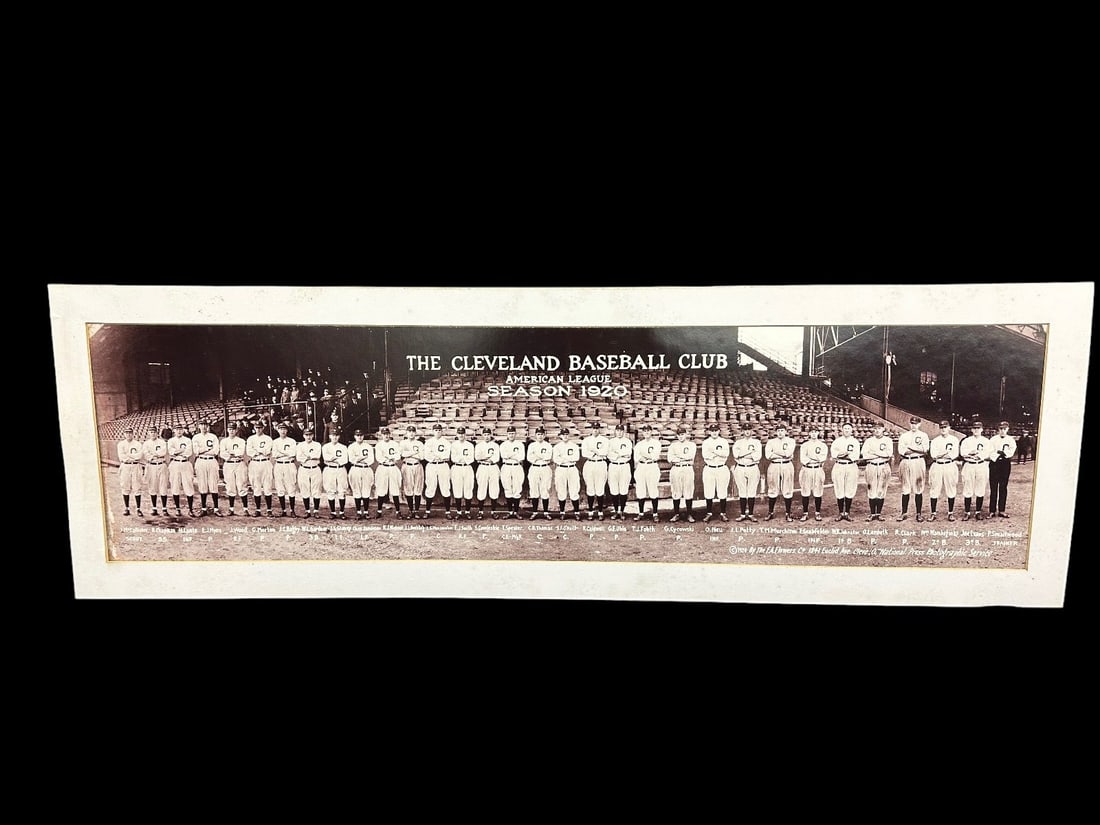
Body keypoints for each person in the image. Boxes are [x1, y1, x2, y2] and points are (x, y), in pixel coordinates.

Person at [896, 416, 929, 522]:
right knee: (905, 488)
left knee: (918, 488)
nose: (914, 425)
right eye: (912, 423)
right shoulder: (904, 435)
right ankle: (904, 513)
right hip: (906, 461)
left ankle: (919, 514)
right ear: (909, 424)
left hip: (918, 461)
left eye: (916, 423)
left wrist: (910, 447)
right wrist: (916, 449)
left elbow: (924, 450)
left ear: (919, 424)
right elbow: (902, 451)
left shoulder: (923, 435)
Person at [927, 420, 960, 522]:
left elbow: (954, 454)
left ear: (949, 428)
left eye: (945, 427)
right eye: (941, 427)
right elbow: (933, 455)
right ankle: (933, 513)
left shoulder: (954, 440)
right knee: (934, 489)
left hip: (950, 465)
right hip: (937, 465)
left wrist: (941, 454)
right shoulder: (935, 440)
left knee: (951, 488)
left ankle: (950, 513)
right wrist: (945, 453)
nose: (943, 429)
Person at [958, 420, 991, 521]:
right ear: (972, 429)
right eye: (974, 428)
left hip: (981, 465)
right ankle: (967, 512)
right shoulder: (966, 440)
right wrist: (972, 454)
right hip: (969, 465)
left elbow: (987, 453)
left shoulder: (986, 441)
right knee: (968, 488)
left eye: (978, 428)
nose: (976, 430)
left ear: (982, 429)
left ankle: (978, 512)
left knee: (980, 488)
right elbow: (963, 453)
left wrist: (977, 455)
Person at [860, 422, 893, 521]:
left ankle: (878, 513)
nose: (877, 430)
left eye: (879, 428)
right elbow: (865, 455)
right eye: (875, 428)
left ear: (883, 429)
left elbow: (889, 454)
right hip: (871, 466)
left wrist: (874, 453)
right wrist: (880, 454)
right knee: (871, 490)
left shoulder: (888, 440)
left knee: (881, 490)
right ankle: (872, 513)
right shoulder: (869, 441)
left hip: (883, 466)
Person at [764, 423, 796, 522]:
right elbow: (768, 455)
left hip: (787, 465)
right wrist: (782, 453)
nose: (780, 432)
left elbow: (788, 454)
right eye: (778, 431)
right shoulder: (771, 442)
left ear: (785, 431)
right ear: (776, 432)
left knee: (787, 489)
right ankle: (770, 512)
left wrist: (775, 452)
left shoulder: (791, 441)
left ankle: (788, 513)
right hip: (774, 465)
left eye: (782, 430)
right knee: (773, 489)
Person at [700, 422, 731, 523]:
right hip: (709, 468)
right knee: (709, 491)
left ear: (719, 431)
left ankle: (723, 513)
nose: (714, 432)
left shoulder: (723, 441)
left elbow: (725, 454)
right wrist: (718, 454)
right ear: (709, 432)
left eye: (716, 430)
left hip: (721, 467)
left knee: (722, 491)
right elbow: (706, 456)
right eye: (712, 431)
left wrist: (713, 452)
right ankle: (709, 513)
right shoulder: (706, 442)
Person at [191, 420, 222, 517]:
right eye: (202, 425)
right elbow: (196, 451)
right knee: (202, 484)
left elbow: (216, 451)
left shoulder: (213, 436)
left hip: (212, 461)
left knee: (213, 484)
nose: (204, 427)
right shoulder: (196, 437)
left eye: (205, 425)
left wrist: (202, 450)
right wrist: (208, 450)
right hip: (200, 461)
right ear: (199, 426)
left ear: (208, 426)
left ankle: (216, 508)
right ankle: (203, 509)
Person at [829, 422, 860, 521]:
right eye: (845, 428)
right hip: (839, 466)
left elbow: (855, 456)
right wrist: (845, 454)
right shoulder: (837, 441)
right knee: (839, 489)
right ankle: (840, 513)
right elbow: (834, 455)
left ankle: (847, 512)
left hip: (851, 466)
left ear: (852, 430)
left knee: (850, 489)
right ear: (842, 430)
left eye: (848, 429)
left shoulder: (855, 442)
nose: (846, 430)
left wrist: (842, 454)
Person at [632, 424, 662, 522]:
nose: (647, 433)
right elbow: (636, 457)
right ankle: (641, 513)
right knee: (640, 490)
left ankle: (655, 514)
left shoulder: (656, 443)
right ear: (642, 432)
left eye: (648, 431)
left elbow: (655, 456)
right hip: (641, 466)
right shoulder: (639, 444)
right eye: (645, 431)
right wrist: (647, 456)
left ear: (651, 432)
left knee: (653, 490)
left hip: (652, 466)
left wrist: (644, 455)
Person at [731, 426, 762, 522]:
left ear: (752, 431)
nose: (747, 431)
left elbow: (757, 456)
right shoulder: (738, 442)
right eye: (745, 430)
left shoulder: (756, 442)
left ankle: (751, 514)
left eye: (749, 430)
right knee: (742, 491)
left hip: (752, 467)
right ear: (742, 431)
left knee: (752, 491)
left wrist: (742, 454)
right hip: (740, 467)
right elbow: (736, 455)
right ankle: (743, 514)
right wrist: (750, 454)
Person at [987, 421, 1017, 518]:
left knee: (1003, 487)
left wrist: (1003, 454)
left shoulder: (1011, 440)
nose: (1002, 431)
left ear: (1007, 429)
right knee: (993, 487)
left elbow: (1011, 451)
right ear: (998, 429)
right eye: (1001, 429)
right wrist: (998, 455)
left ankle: (1001, 510)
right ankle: (992, 510)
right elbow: (990, 451)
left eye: (1004, 429)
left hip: (1005, 464)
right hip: (995, 463)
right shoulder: (993, 439)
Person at [666, 426, 697, 523]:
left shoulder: (692, 445)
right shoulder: (673, 445)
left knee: (688, 491)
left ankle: (689, 514)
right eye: (679, 435)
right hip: (676, 468)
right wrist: (684, 458)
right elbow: (670, 459)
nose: (681, 437)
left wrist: (678, 457)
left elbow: (691, 457)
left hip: (687, 468)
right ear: (677, 435)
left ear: (686, 434)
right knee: (676, 491)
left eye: (682, 434)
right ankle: (676, 514)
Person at [580, 421, 609, 520]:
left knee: (600, 488)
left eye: (597, 428)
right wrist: (595, 453)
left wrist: (594, 451)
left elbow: (605, 452)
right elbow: (584, 453)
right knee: (590, 488)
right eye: (593, 428)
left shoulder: (605, 440)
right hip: (590, 463)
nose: (595, 430)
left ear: (599, 429)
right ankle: (591, 511)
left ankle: (600, 511)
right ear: (591, 429)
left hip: (601, 463)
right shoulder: (586, 440)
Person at [245, 419, 275, 517]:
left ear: (263, 428)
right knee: (256, 486)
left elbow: (268, 450)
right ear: (254, 428)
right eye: (256, 428)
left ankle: (269, 510)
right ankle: (258, 510)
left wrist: (258, 451)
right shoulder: (250, 439)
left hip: (265, 462)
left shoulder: (268, 438)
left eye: (260, 427)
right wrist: (259, 451)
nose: (258, 429)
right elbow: (249, 451)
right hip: (254, 463)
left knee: (267, 486)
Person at [219, 421, 249, 516]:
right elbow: (222, 454)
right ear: (227, 430)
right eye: (230, 429)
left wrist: (230, 453)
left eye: (233, 429)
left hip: (239, 464)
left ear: (236, 430)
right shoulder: (224, 441)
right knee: (230, 486)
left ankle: (245, 509)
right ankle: (231, 509)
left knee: (242, 485)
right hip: (228, 464)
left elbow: (240, 452)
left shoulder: (241, 441)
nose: (231, 431)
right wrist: (232, 454)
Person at [423, 423, 453, 518]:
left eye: (439, 430)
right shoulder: (428, 442)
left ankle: (448, 512)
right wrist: (437, 456)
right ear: (433, 431)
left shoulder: (446, 442)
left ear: (442, 431)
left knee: (445, 487)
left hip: (443, 465)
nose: (437, 432)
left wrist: (435, 455)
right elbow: (427, 455)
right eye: (436, 430)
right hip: (431, 465)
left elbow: (446, 456)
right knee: (430, 487)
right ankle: (427, 511)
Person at [798, 425, 827, 521]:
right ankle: (805, 513)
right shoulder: (805, 445)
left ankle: (817, 513)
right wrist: (815, 458)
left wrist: (811, 458)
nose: (814, 434)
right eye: (812, 432)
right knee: (805, 491)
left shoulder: (823, 445)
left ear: (818, 433)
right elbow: (803, 459)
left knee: (818, 491)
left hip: (818, 469)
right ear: (809, 433)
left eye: (815, 431)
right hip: (807, 469)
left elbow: (822, 458)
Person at [605, 422, 634, 520]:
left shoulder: (628, 441)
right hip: (613, 466)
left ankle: (621, 511)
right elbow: (609, 455)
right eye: (617, 430)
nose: (619, 432)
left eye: (621, 430)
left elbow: (628, 454)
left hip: (624, 466)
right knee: (614, 489)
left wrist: (616, 453)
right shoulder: (611, 441)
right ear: (615, 431)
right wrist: (620, 454)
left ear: (624, 431)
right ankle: (616, 511)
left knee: (623, 490)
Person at [167, 422, 196, 517]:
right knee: (175, 486)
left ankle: (191, 509)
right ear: (174, 431)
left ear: (183, 430)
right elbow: (171, 452)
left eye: (180, 429)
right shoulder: (171, 440)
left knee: (189, 486)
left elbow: (188, 452)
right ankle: (177, 509)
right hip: (175, 463)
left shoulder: (187, 440)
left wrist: (177, 451)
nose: (179, 431)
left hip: (186, 463)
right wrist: (181, 451)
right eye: (177, 429)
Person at [553, 428, 583, 520]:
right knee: (561, 490)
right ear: (560, 436)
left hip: (572, 468)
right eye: (563, 434)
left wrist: (564, 458)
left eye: (566, 434)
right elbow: (556, 459)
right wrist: (568, 458)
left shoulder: (574, 446)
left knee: (574, 490)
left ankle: (577, 512)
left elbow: (576, 458)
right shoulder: (557, 447)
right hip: (561, 469)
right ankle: (562, 512)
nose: (565, 436)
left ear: (569, 435)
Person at [373, 426, 403, 518]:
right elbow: (379, 458)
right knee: (381, 489)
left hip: (393, 467)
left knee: (395, 490)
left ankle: (398, 511)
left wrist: (392, 458)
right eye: (384, 434)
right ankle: (379, 511)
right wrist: (389, 458)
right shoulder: (379, 445)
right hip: (383, 467)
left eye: (387, 434)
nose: (386, 436)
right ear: (381, 435)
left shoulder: (394, 444)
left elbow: (398, 456)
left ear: (390, 434)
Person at [271, 421, 299, 517]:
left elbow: (292, 454)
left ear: (287, 430)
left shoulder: (292, 441)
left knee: (291, 487)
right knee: (280, 487)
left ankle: (292, 510)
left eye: (284, 429)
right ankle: (283, 510)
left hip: (289, 464)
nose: (283, 431)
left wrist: (281, 453)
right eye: (281, 429)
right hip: (279, 465)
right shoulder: (275, 442)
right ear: (278, 430)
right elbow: (275, 455)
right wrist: (285, 453)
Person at [499, 425, 527, 518]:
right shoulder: (503, 444)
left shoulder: (520, 444)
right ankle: (510, 512)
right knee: (507, 488)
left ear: (515, 434)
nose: (511, 435)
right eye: (509, 433)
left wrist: (510, 455)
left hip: (517, 467)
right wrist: (515, 455)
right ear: (507, 434)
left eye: (513, 433)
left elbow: (521, 457)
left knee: (517, 488)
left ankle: (516, 512)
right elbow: (504, 455)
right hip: (506, 466)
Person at [321, 427, 350, 519]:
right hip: (329, 469)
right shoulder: (326, 447)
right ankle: (333, 512)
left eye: (336, 435)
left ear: (339, 437)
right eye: (333, 435)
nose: (335, 437)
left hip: (340, 469)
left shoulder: (343, 447)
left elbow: (344, 460)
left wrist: (332, 459)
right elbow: (326, 458)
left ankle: (342, 512)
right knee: (330, 490)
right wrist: (334, 459)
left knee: (342, 490)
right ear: (329, 436)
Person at [526, 426, 554, 520]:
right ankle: (534, 512)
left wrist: (537, 456)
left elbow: (548, 457)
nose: (540, 436)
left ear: (544, 435)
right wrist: (541, 457)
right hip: (534, 468)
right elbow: (530, 458)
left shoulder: (548, 445)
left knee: (545, 489)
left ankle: (546, 512)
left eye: (542, 434)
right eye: (538, 434)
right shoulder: (532, 445)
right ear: (535, 435)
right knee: (534, 490)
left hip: (545, 467)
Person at [474, 427, 501, 519]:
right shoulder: (479, 445)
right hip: (482, 467)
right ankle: (480, 511)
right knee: (481, 488)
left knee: (494, 489)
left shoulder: (495, 446)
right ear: (482, 435)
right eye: (485, 435)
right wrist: (487, 457)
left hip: (493, 467)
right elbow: (477, 457)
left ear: (491, 435)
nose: (486, 436)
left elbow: (496, 458)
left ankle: (493, 511)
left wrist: (483, 457)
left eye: (488, 434)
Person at [295, 427, 323, 517]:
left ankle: (316, 511)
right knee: (304, 489)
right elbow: (299, 458)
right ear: (303, 436)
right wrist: (311, 456)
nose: (308, 437)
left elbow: (317, 455)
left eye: (310, 435)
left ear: (313, 435)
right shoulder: (300, 445)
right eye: (306, 435)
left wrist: (306, 456)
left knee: (316, 489)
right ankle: (307, 510)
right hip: (304, 468)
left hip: (315, 468)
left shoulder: (317, 444)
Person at [348, 428, 376, 520]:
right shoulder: (351, 446)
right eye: (357, 435)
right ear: (354, 436)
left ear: (363, 436)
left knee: (366, 490)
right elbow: (352, 459)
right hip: (355, 468)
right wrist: (361, 458)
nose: (359, 437)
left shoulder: (368, 446)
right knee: (357, 490)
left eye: (361, 435)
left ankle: (366, 512)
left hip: (366, 469)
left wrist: (359, 459)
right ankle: (358, 512)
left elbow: (371, 460)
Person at [398, 424, 425, 519]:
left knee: (418, 489)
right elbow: (401, 455)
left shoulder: (419, 443)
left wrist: (408, 454)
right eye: (409, 432)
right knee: (408, 488)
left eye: (413, 432)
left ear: (415, 433)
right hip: (407, 466)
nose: (411, 433)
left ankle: (416, 511)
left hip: (417, 465)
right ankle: (410, 510)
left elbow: (422, 457)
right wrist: (414, 453)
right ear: (406, 432)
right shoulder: (403, 443)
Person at [117, 426, 144, 516]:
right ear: (124, 434)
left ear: (133, 434)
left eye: (130, 433)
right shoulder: (121, 444)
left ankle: (138, 509)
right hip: (125, 466)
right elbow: (122, 457)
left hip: (136, 466)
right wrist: (133, 456)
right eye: (126, 432)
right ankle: (127, 508)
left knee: (137, 487)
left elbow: (139, 456)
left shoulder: (138, 444)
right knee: (125, 487)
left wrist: (128, 455)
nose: (128, 434)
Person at [450, 426, 476, 519]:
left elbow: (471, 459)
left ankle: (468, 511)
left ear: (465, 434)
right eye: (459, 433)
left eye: (462, 433)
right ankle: (459, 512)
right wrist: (463, 458)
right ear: (457, 434)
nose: (461, 435)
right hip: (457, 468)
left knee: (468, 489)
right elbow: (453, 458)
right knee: (457, 489)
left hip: (467, 467)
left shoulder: (469, 445)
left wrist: (461, 458)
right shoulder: (453, 445)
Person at [142, 425, 169, 516]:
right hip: (151, 466)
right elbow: (146, 455)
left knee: (163, 486)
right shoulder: (146, 443)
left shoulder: (162, 442)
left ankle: (164, 508)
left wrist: (153, 454)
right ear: (149, 433)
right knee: (152, 486)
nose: (153, 433)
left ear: (157, 433)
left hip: (161, 465)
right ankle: (154, 508)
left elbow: (163, 452)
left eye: (154, 432)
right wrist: (155, 455)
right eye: (151, 432)